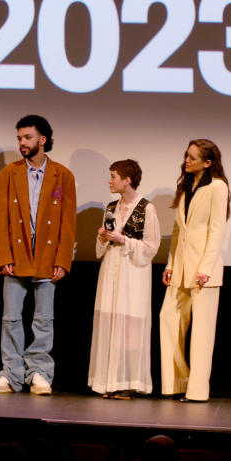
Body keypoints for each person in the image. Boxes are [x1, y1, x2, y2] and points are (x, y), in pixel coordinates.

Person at [0, 115, 76, 395]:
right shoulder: (8, 174)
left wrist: (62, 260)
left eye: (27, 137)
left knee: (43, 319)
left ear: (43, 139)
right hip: (16, 254)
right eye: (19, 138)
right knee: (11, 318)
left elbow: (68, 222)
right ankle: (11, 374)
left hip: (47, 256)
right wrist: (4, 257)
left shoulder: (63, 175)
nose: (22, 143)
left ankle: (39, 372)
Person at [160, 139, 229, 402]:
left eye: (192, 157)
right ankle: (176, 383)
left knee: (201, 333)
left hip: (204, 271)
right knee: (168, 319)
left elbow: (216, 229)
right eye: (186, 156)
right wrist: (170, 264)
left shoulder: (218, 187)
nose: (186, 160)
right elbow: (179, 230)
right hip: (180, 267)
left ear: (208, 162)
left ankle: (198, 391)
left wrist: (206, 268)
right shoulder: (186, 185)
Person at [88, 159, 160, 398]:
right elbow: (102, 248)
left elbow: (151, 247)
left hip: (133, 273)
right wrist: (103, 236)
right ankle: (107, 382)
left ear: (127, 180)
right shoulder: (110, 207)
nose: (110, 181)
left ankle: (127, 383)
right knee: (110, 321)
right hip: (111, 271)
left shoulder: (146, 209)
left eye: (113, 176)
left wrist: (124, 240)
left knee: (129, 326)